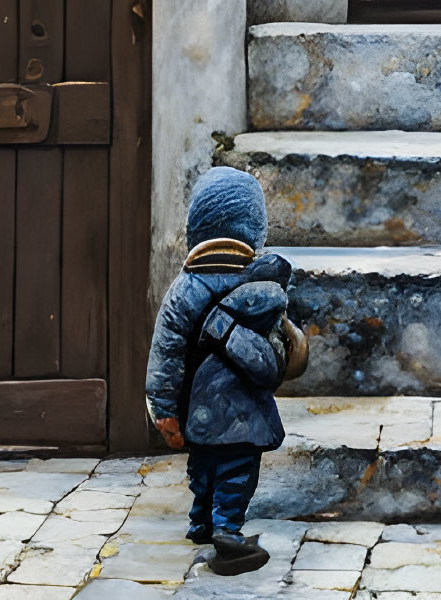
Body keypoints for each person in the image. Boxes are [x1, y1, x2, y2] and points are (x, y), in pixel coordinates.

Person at [147, 168, 304, 578]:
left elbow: (167, 351)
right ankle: (228, 533)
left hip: (196, 406)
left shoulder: (184, 287)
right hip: (244, 408)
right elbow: (281, 342)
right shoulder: (261, 280)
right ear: (255, 227)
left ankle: (200, 521)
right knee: (236, 469)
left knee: (202, 463)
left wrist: (164, 407)